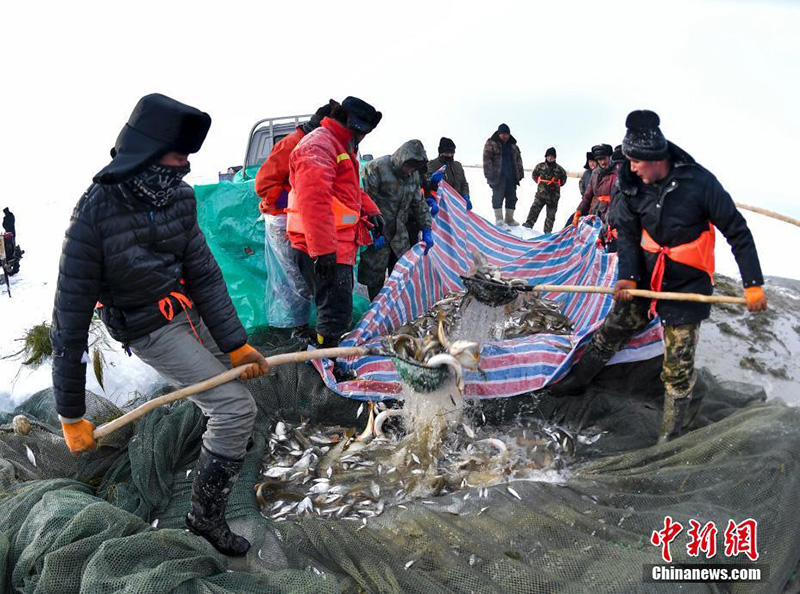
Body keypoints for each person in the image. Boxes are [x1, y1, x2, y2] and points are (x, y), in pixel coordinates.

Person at [52, 94, 270, 556]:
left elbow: (205, 274)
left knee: (238, 399)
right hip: (148, 327)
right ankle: (204, 517)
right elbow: (68, 322)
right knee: (234, 409)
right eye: (178, 156)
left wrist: (234, 345)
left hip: (186, 309)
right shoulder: (93, 215)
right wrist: (71, 413)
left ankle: (223, 450)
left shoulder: (178, 197)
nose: (186, 166)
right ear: (148, 152)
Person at [548, 110, 767, 444]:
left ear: (655, 159)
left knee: (677, 367)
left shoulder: (698, 182)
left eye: (636, 162)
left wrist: (752, 283)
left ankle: (671, 435)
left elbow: (737, 231)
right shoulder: (631, 183)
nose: (630, 168)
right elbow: (627, 233)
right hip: (647, 276)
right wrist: (629, 278)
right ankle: (578, 380)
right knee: (613, 329)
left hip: (687, 283)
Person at [288, 97, 384, 347]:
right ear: (356, 128)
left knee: (338, 309)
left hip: (337, 246)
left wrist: (372, 211)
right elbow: (314, 200)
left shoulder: (341, 146)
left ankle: (330, 353)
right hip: (321, 247)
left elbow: (349, 191)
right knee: (333, 312)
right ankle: (327, 360)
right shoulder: (320, 145)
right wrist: (323, 250)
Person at [254, 100, 338, 340]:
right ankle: (299, 328)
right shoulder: (291, 144)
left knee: (310, 271)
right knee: (295, 275)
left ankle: (312, 321)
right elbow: (263, 184)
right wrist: (295, 201)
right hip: (284, 220)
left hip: (304, 217)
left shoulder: (321, 145)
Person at [358, 139, 433, 301]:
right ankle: (375, 313)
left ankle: (394, 311)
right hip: (378, 232)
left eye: (415, 167)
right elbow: (364, 200)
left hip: (399, 235)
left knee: (401, 276)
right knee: (374, 277)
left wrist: (427, 228)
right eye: (409, 165)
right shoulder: (376, 168)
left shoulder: (413, 176)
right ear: (402, 158)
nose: (410, 170)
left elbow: (418, 203)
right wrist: (371, 229)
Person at [483, 123, 524, 227]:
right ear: (499, 134)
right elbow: (487, 160)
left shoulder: (513, 145)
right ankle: (499, 220)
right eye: (503, 134)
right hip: (497, 177)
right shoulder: (491, 143)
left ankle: (509, 219)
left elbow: (518, 160)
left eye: (507, 134)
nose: (505, 136)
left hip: (511, 176)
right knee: (497, 197)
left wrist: (520, 174)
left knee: (512, 198)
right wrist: (489, 176)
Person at [524, 147, 567, 233]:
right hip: (541, 194)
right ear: (546, 156)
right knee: (534, 209)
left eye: (552, 156)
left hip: (553, 197)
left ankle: (547, 232)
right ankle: (528, 225)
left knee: (551, 216)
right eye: (549, 156)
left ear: (555, 157)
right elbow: (534, 176)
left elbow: (563, 180)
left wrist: (555, 185)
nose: (550, 158)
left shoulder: (560, 169)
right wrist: (541, 185)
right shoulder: (540, 166)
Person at [572, 143, 616, 226]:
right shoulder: (595, 173)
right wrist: (579, 210)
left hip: (611, 215)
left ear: (609, 157)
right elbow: (587, 197)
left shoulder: (617, 172)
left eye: (604, 158)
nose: (602, 162)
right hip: (594, 214)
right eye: (599, 159)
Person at [426, 137, 471, 210]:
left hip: (457, 204)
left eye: (452, 153)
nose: (450, 155)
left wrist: (466, 195)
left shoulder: (458, 166)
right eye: (447, 153)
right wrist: (431, 180)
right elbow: (425, 185)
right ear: (440, 152)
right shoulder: (431, 165)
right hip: (442, 205)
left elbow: (463, 183)